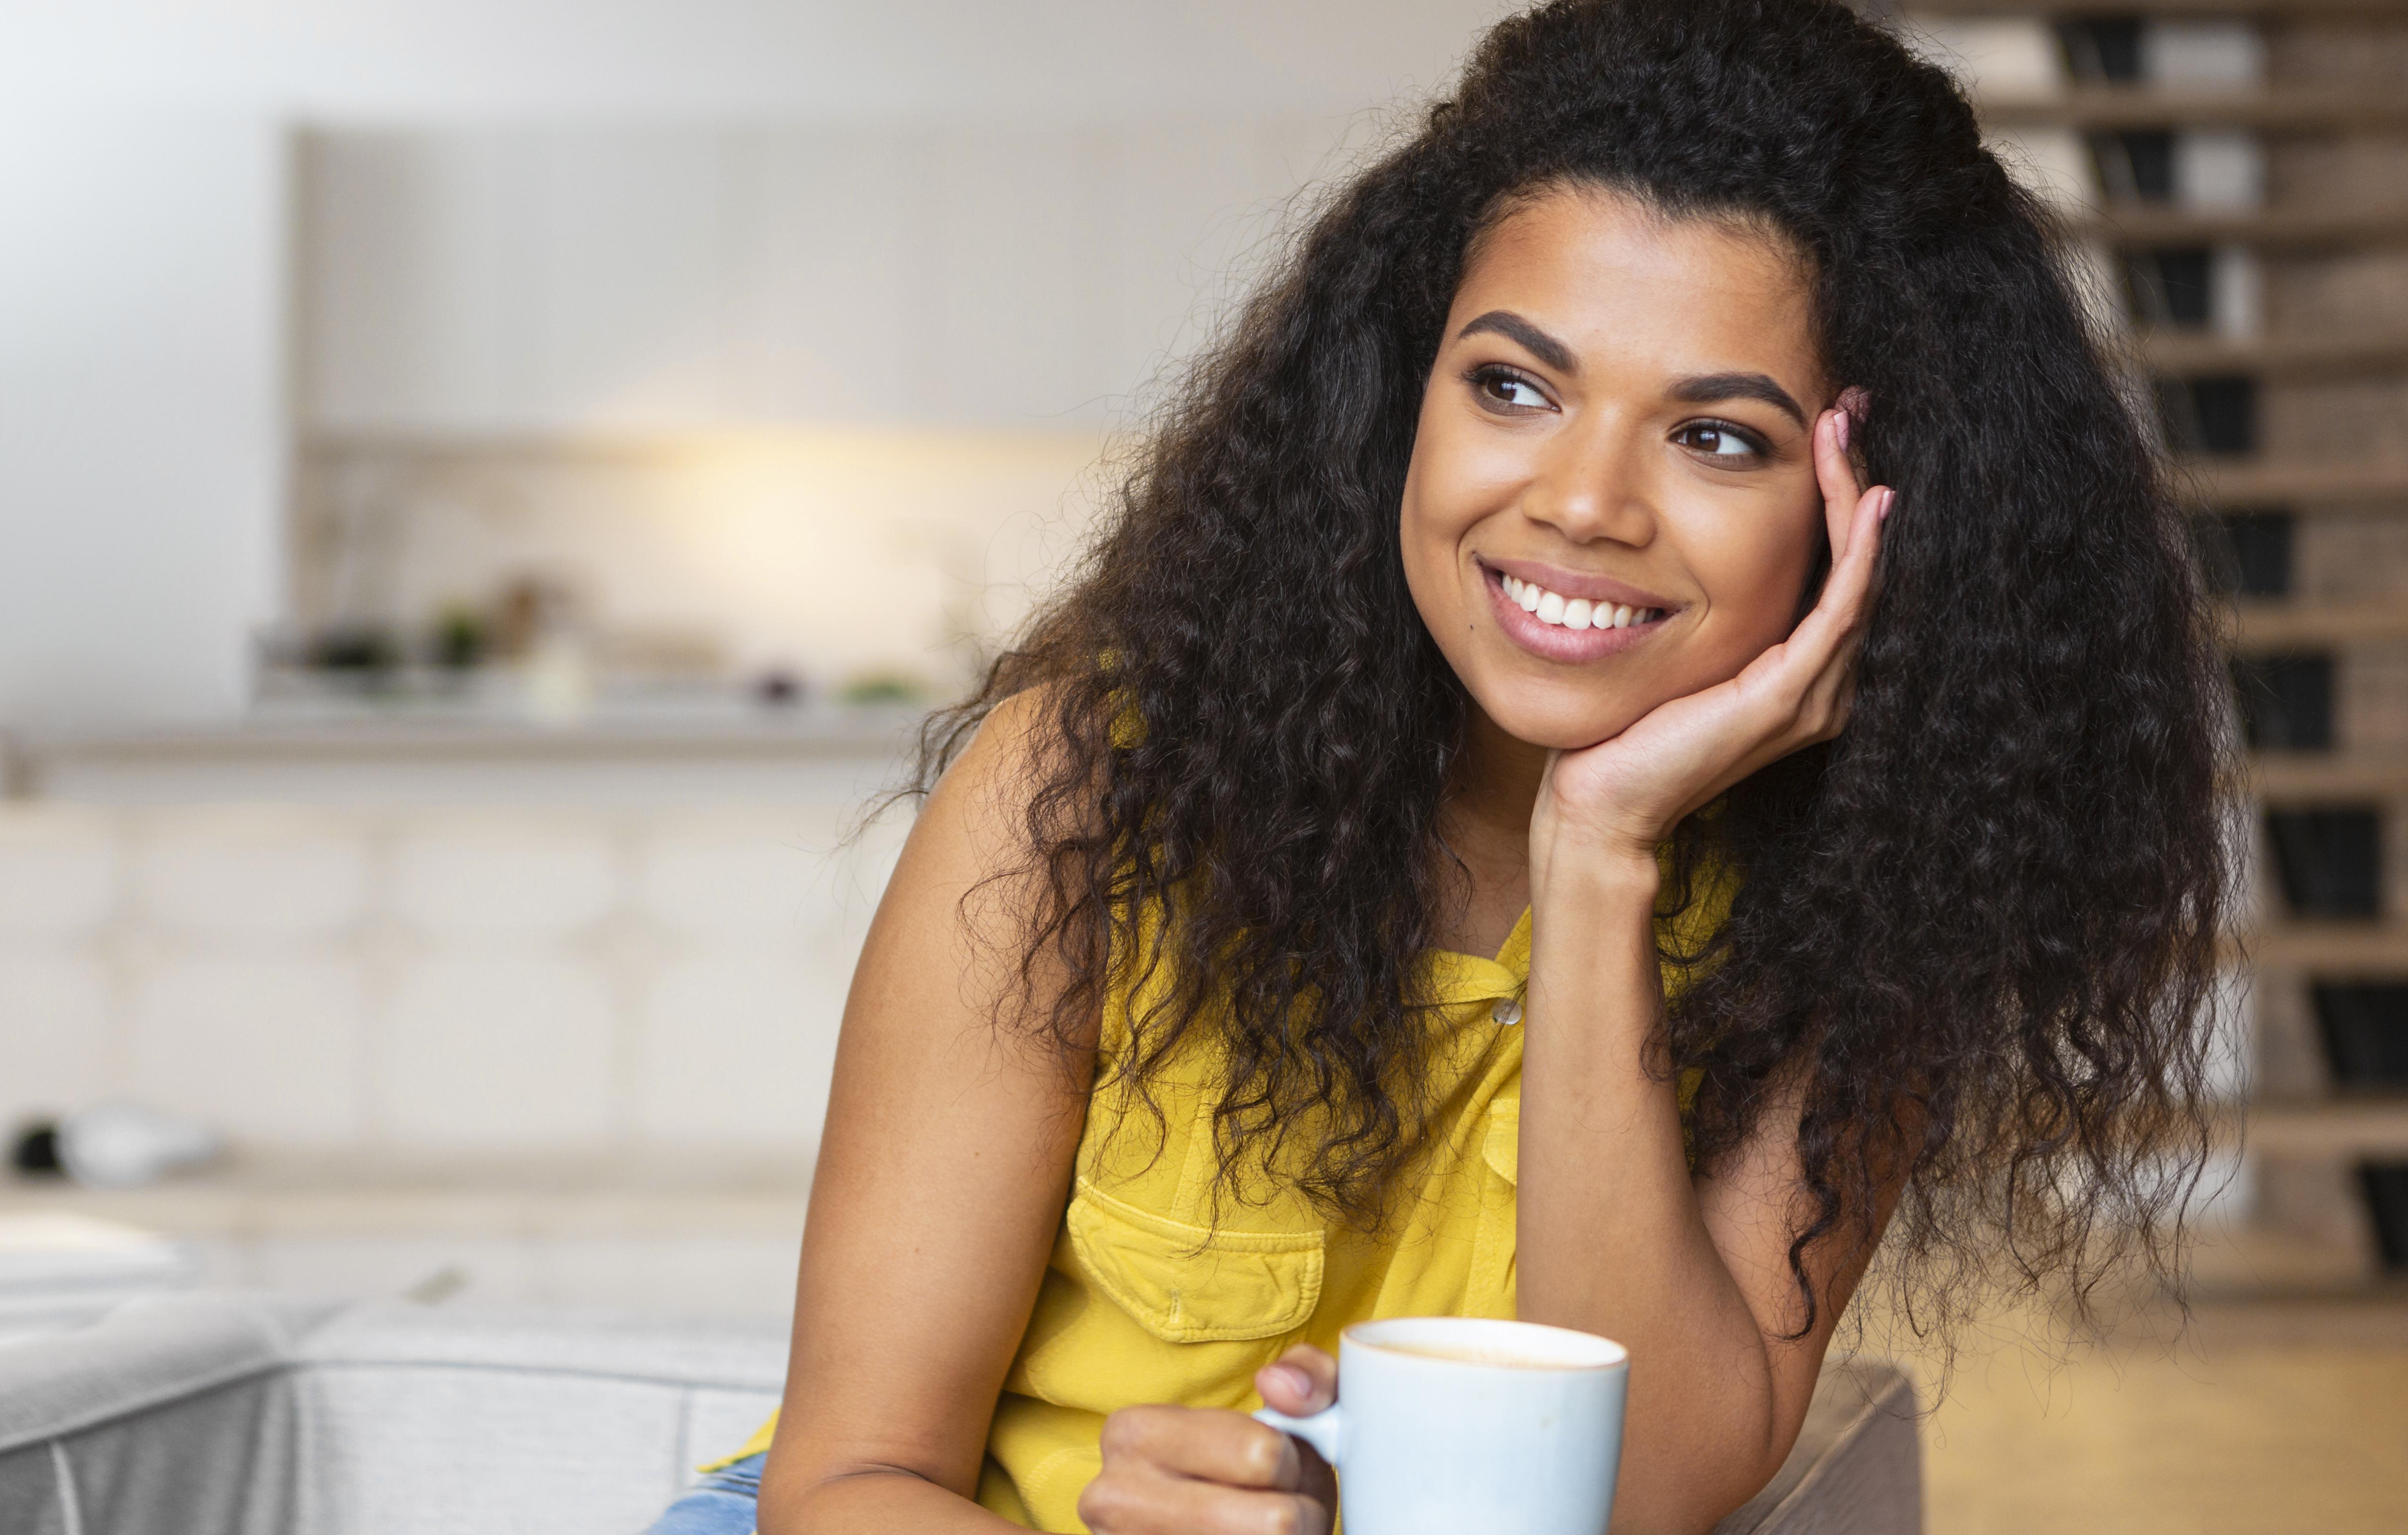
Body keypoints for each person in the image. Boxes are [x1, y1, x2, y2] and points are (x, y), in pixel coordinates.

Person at [650, 0, 2232, 1530]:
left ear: (1868, 502)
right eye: (1514, 386)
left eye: (1720, 438)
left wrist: (1601, 847)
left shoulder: (1875, 890)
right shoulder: (1089, 786)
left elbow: (1641, 1497)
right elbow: (845, 1484)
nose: (1585, 501)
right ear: (1398, 399)